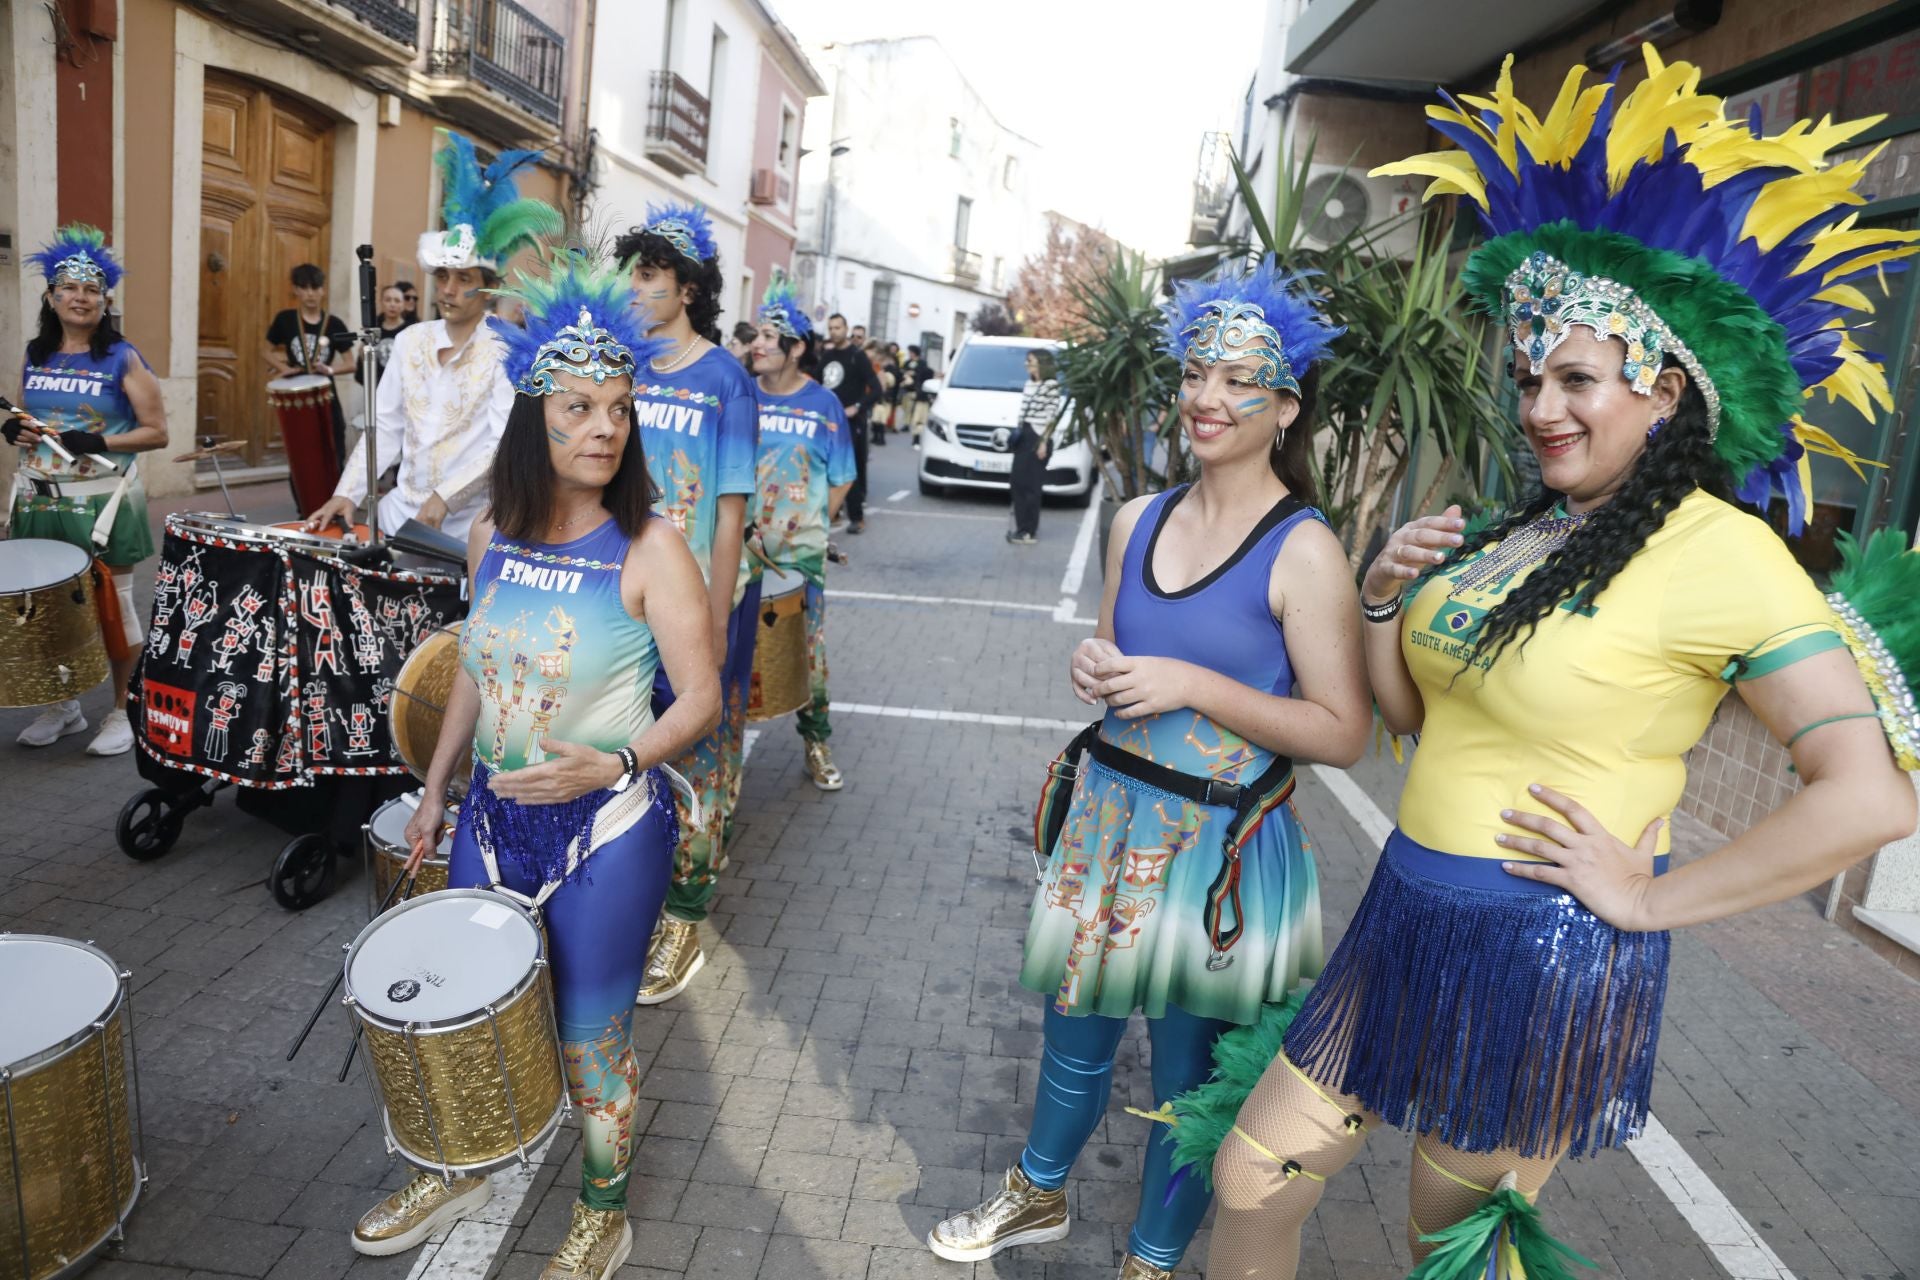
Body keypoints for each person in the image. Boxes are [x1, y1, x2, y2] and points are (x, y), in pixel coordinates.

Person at [1197, 51, 1920, 1280]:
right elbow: (1412, 719)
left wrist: (1645, 897)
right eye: (1531, 375)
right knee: (1253, 1173)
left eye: (1576, 377)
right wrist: (1383, 599)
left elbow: (1871, 793)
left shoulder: (1726, 553)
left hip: (1540, 950)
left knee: (1453, 1248)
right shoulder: (1520, 526)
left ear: (1666, 392)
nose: (1539, 404)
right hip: (1404, 913)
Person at [927, 259, 1368, 1280]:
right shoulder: (1138, 518)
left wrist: (1191, 682)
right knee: (1072, 1029)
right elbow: (1117, 659)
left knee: (1187, 1067)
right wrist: (1098, 665)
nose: (1207, 397)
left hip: (1216, 847)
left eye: (1238, 379)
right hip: (1107, 822)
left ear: (1285, 406)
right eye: (1196, 372)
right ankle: (1037, 1188)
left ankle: (1154, 1254)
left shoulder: (1304, 550)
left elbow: (1342, 729)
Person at [351, 252, 720, 1280]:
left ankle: (606, 1209)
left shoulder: (652, 545)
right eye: (578, 408)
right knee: (461, 1005)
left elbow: (701, 697)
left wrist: (614, 758)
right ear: (532, 418)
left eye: (617, 407)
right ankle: (460, 1162)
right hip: (489, 816)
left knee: (589, 1036)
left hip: (605, 830)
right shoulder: (493, 536)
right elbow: (474, 665)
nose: (604, 426)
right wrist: (434, 787)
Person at [612, 203, 760, 1005]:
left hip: (695, 602)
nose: (636, 288)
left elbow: (730, 513)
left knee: (698, 753)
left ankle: (685, 920)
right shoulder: (618, 370)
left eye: (649, 275)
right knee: (627, 744)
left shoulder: (725, 382)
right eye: (633, 273)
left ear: (689, 288)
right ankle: (629, 891)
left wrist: (714, 613)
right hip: (619, 595)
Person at [305, 130, 558, 539]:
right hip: (397, 514)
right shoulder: (411, 340)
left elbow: (503, 443)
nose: (448, 289)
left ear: (489, 285)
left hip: (465, 528)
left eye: (463, 277)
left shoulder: (508, 350)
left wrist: (445, 498)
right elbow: (385, 426)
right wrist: (348, 493)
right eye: (442, 276)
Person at [5, 224, 168, 757]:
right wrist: (14, 428)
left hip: (103, 499)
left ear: (105, 300)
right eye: (70, 288)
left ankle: (123, 711)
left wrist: (97, 438)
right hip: (38, 497)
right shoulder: (36, 353)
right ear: (51, 296)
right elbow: (28, 413)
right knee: (47, 606)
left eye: (92, 289)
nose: (80, 297)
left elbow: (157, 432)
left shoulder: (122, 357)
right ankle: (65, 705)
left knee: (113, 606)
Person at [750, 278, 857, 791]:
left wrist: (811, 526)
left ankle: (815, 740)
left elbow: (843, 477)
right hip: (735, 551)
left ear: (796, 349)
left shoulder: (823, 406)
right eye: (757, 334)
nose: (759, 343)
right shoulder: (740, 394)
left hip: (798, 559)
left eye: (771, 336)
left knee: (805, 653)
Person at [265, 262, 356, 468]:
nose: (310, 294)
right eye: (304, 288)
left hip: (326, 393)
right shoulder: (285, 319)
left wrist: (330, 369)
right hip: (296, 395)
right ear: (296, 290)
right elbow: (265, 351)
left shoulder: (334, 324)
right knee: (301, 451)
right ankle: (304, 498)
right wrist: (284, 369)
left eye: (315, 288)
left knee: (334, 447)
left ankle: (334, 495)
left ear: (323, 290)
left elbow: (351, 364)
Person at [815, 312, 878, 532]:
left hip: (851, 424)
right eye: (830, 328)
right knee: (822, 467)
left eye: (838, 328)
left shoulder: (857, 356)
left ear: (846, 328)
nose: (834, 332)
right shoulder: (827, 355)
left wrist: (857, 407)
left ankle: (856, 517)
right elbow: (816, 381)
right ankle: (831, 513)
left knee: (850, 469)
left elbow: (876, 388)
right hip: (826, 422)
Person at [1007, 348, 1062, 545]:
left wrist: (1043, 443)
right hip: (1024, 435)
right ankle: (1021, 528)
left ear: (1041, 362)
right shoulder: (1029, 384)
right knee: (1017, 482)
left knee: (1031, 486)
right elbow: (1023, 414)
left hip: (1038, 438)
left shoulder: (1051, 386)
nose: (1027, 364)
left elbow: (1051, 418)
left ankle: (1028, 530)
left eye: (1030, 360)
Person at [354, 284, 415, 389]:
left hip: (402, 388)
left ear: (403, 304)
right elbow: (363, 359)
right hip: (377, 387)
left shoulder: (410, 331)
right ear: (381, 302)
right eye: (388, 300)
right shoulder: (373, 328)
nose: (392, 304)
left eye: (397, 301)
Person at [903, 344, 934, 446]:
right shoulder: (907, 362)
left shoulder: (922, 364)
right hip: (909, 389)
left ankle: (916, 436)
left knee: (919, 415)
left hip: (918, 392)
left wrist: (914, 374)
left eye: (911, 352)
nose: (910, 354)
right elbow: (902, 371)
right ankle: (906, 424)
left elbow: (923, 374)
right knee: (907, 408)